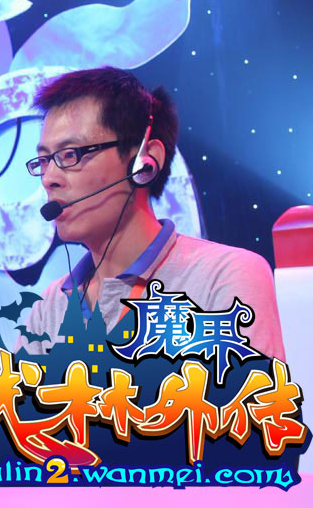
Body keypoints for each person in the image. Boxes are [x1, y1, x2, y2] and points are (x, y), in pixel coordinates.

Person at [19, 67, 285, 359]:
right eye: (44, 161)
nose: (49, 178)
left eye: (70, 154)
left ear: (144, 163)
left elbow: (251, 388)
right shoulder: (49, 306)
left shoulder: (223, 277)